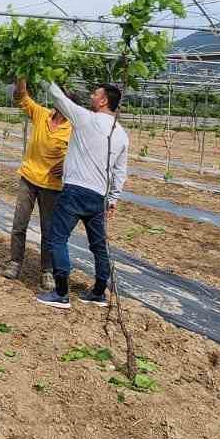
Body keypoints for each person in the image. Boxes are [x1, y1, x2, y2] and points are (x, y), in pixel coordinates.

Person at [35, 80, 128, 309]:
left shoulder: (86, 118)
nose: (91, 96)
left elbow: (59, 98)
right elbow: (120, 171)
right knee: (98, 245)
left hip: (74, 191)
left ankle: (61, 293)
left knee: (57, 238)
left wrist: (43, 74)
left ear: (104, 100)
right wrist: (113, 199)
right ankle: (98, 292)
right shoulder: (121, 134)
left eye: (95, 94)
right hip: (98, 196)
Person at [5, 78, 70, 290]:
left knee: (48, 229)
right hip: (28, 178)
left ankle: (47, 271)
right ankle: (15, 263)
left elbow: (85, 152)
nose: (56, 102)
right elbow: (22, 98)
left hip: (52, 186)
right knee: (19, 223)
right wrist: (22, 75)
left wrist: (68, 164)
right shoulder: (42, 114)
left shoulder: (73, 128)